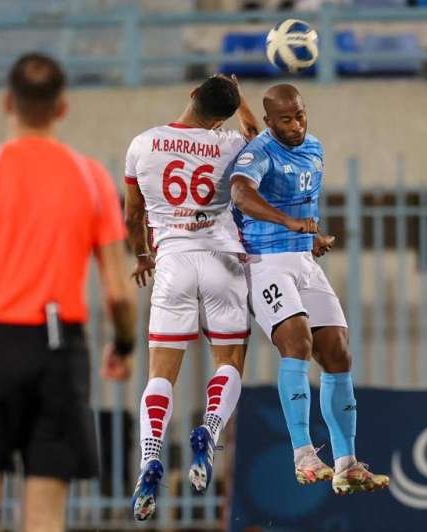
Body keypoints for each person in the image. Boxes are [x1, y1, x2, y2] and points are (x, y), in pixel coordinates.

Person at [125, 74, 304, 521]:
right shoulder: (231, 144)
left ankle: (150, 456)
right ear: (224, 115)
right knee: (229, 362)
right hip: (223, 261)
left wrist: (143, 254)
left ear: (192, 95)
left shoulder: (143, 144)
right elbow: (259, 136)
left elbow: (132, 213)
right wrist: (242, 101)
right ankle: (209, 429)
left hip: (172, 263)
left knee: (161, 372)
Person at [0, 53, 136, 532]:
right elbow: (119, 293)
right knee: (45, 518)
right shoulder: (91, 178)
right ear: (62, 107)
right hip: (60, 351)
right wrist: (124, 345)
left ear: (7, 102)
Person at [230, 84, 389, 495]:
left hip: (303, 259)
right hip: (266, 263)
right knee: (297, 342)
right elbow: (241, 193)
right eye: (285, 119)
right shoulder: (258, 152)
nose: (296, 125)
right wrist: (289, 223)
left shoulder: (314, 147)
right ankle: (303, 456)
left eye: (300, 115)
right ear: (270, 122)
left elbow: (302, 201)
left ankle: (346, 463)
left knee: (338, 351)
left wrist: (310, 235)